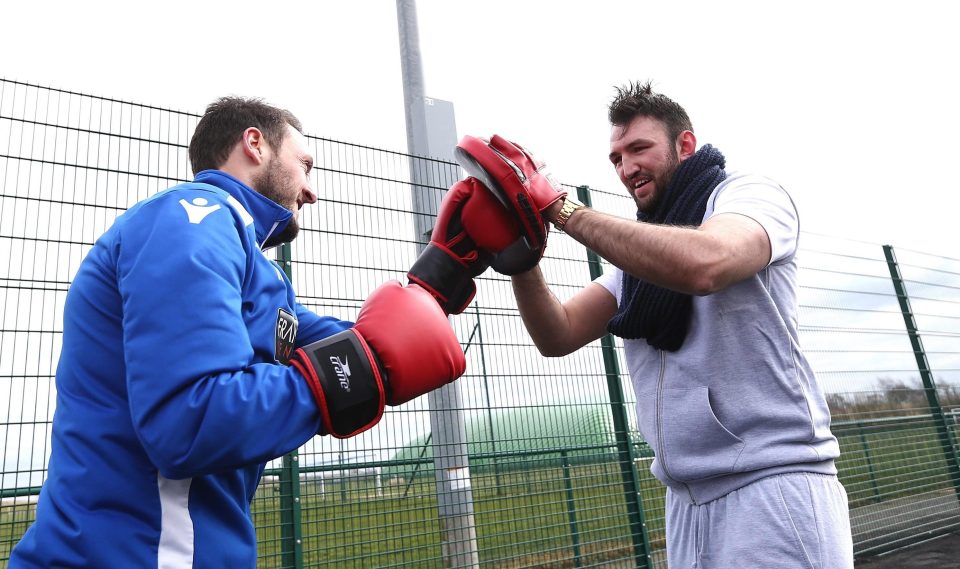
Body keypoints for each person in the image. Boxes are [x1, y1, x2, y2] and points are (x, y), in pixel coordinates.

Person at [9, 97, 468, 568]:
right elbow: (188, 419)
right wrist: (338, 378)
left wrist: (450, 269)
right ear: (255, 144)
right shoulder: (191, 220)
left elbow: (372, 347)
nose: (311, 191)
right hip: (135, 553)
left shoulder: (256, 271)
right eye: (304, 164)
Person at [456, 82, 855, 567]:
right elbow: (556, 334)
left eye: (639, 148)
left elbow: (708, 262)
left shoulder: (750, 196)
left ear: (684, 145)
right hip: (684, 501)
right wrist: (521, 258)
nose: (627, 168)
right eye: (616, 158)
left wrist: (561, 207)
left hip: (771, 486)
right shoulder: (638, 265)